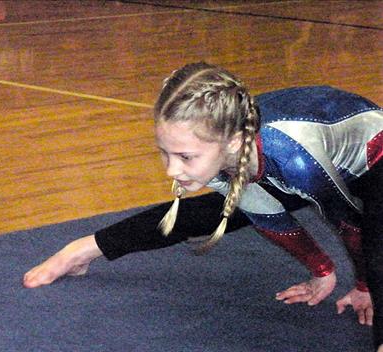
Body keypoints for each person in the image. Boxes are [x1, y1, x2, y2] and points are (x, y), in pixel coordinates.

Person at [23, 62, 383, 351]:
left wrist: (363, 284)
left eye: (184, 157)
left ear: (233, 142)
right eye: (165, 153)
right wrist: (322, 270)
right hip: (293, 156)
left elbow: (350, 222)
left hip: (370, 155)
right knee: (211, 211)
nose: (171, 169)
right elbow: (267, 217)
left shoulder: (293, 158)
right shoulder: (222, 150)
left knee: (377, 239)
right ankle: (83, 250)